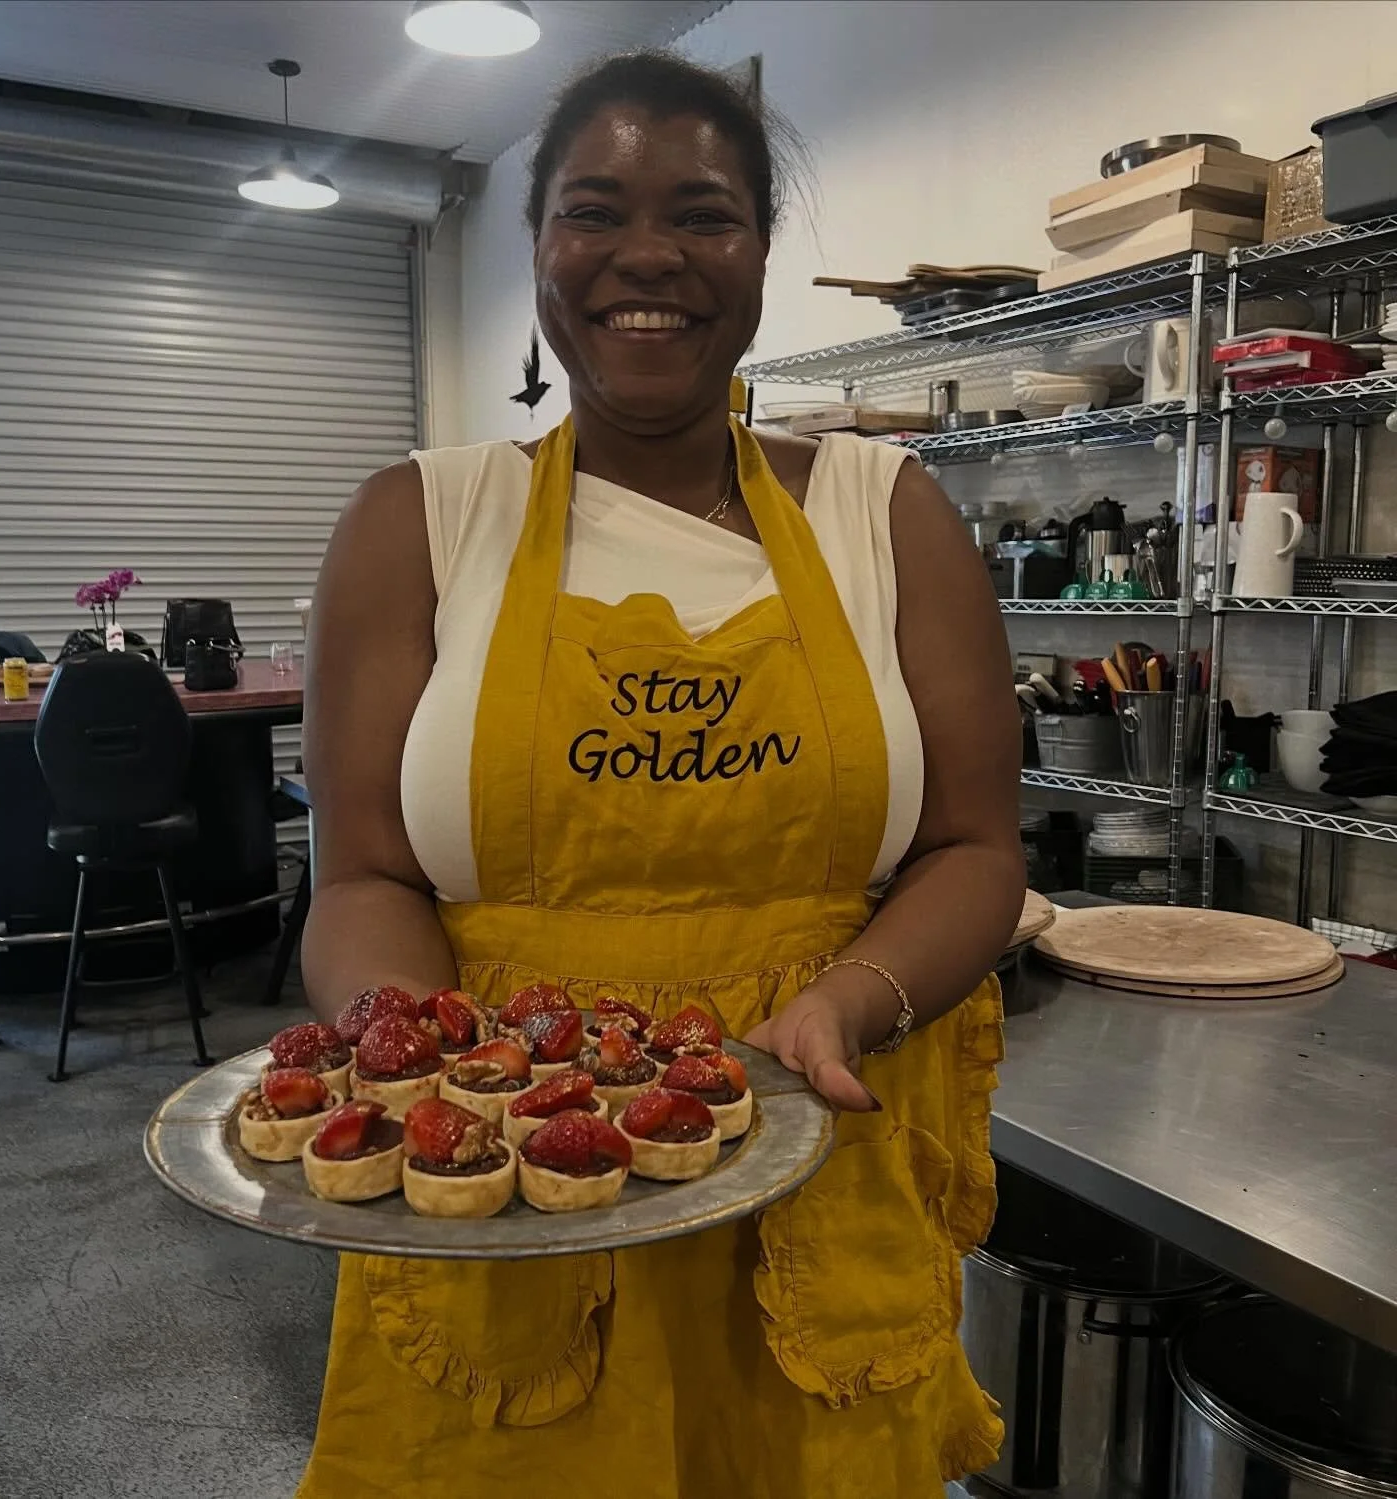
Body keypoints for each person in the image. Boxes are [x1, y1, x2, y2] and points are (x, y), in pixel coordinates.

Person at [296, 50, 1022, 1499]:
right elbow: (364, 874)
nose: (648, 256)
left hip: (818, 1150)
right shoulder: (418, 522)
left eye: (702, 215)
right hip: (505, 1171)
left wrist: (846, 1004)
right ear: (538, 246)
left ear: (759, 253)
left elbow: (976, 850)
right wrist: (430, 1056)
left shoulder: (888, 513)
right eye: (594, 211)